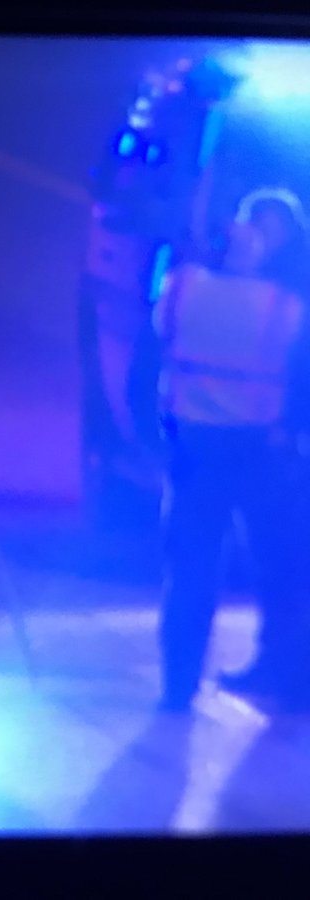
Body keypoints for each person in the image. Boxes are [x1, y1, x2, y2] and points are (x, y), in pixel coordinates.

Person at [153, 187, 309, 712]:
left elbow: (158, 340)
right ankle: (287, 677)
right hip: (263, 450)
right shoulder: (286, 306)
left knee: (191, 570)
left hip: (195, 447)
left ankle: (178, 686)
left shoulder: (182, 287)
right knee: (280, 567)